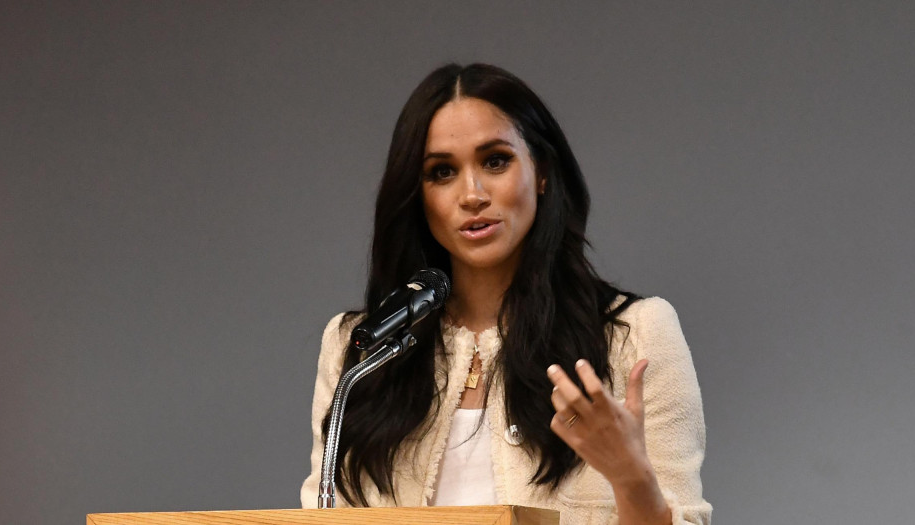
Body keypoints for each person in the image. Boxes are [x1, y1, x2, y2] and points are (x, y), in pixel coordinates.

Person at [300, 64, 711, 524]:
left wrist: (631, 478)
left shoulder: (637, 335)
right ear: (417, 196)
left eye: (495, 161)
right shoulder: (360, 348)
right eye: (442, 172)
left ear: (541, 172)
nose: (471, 194)